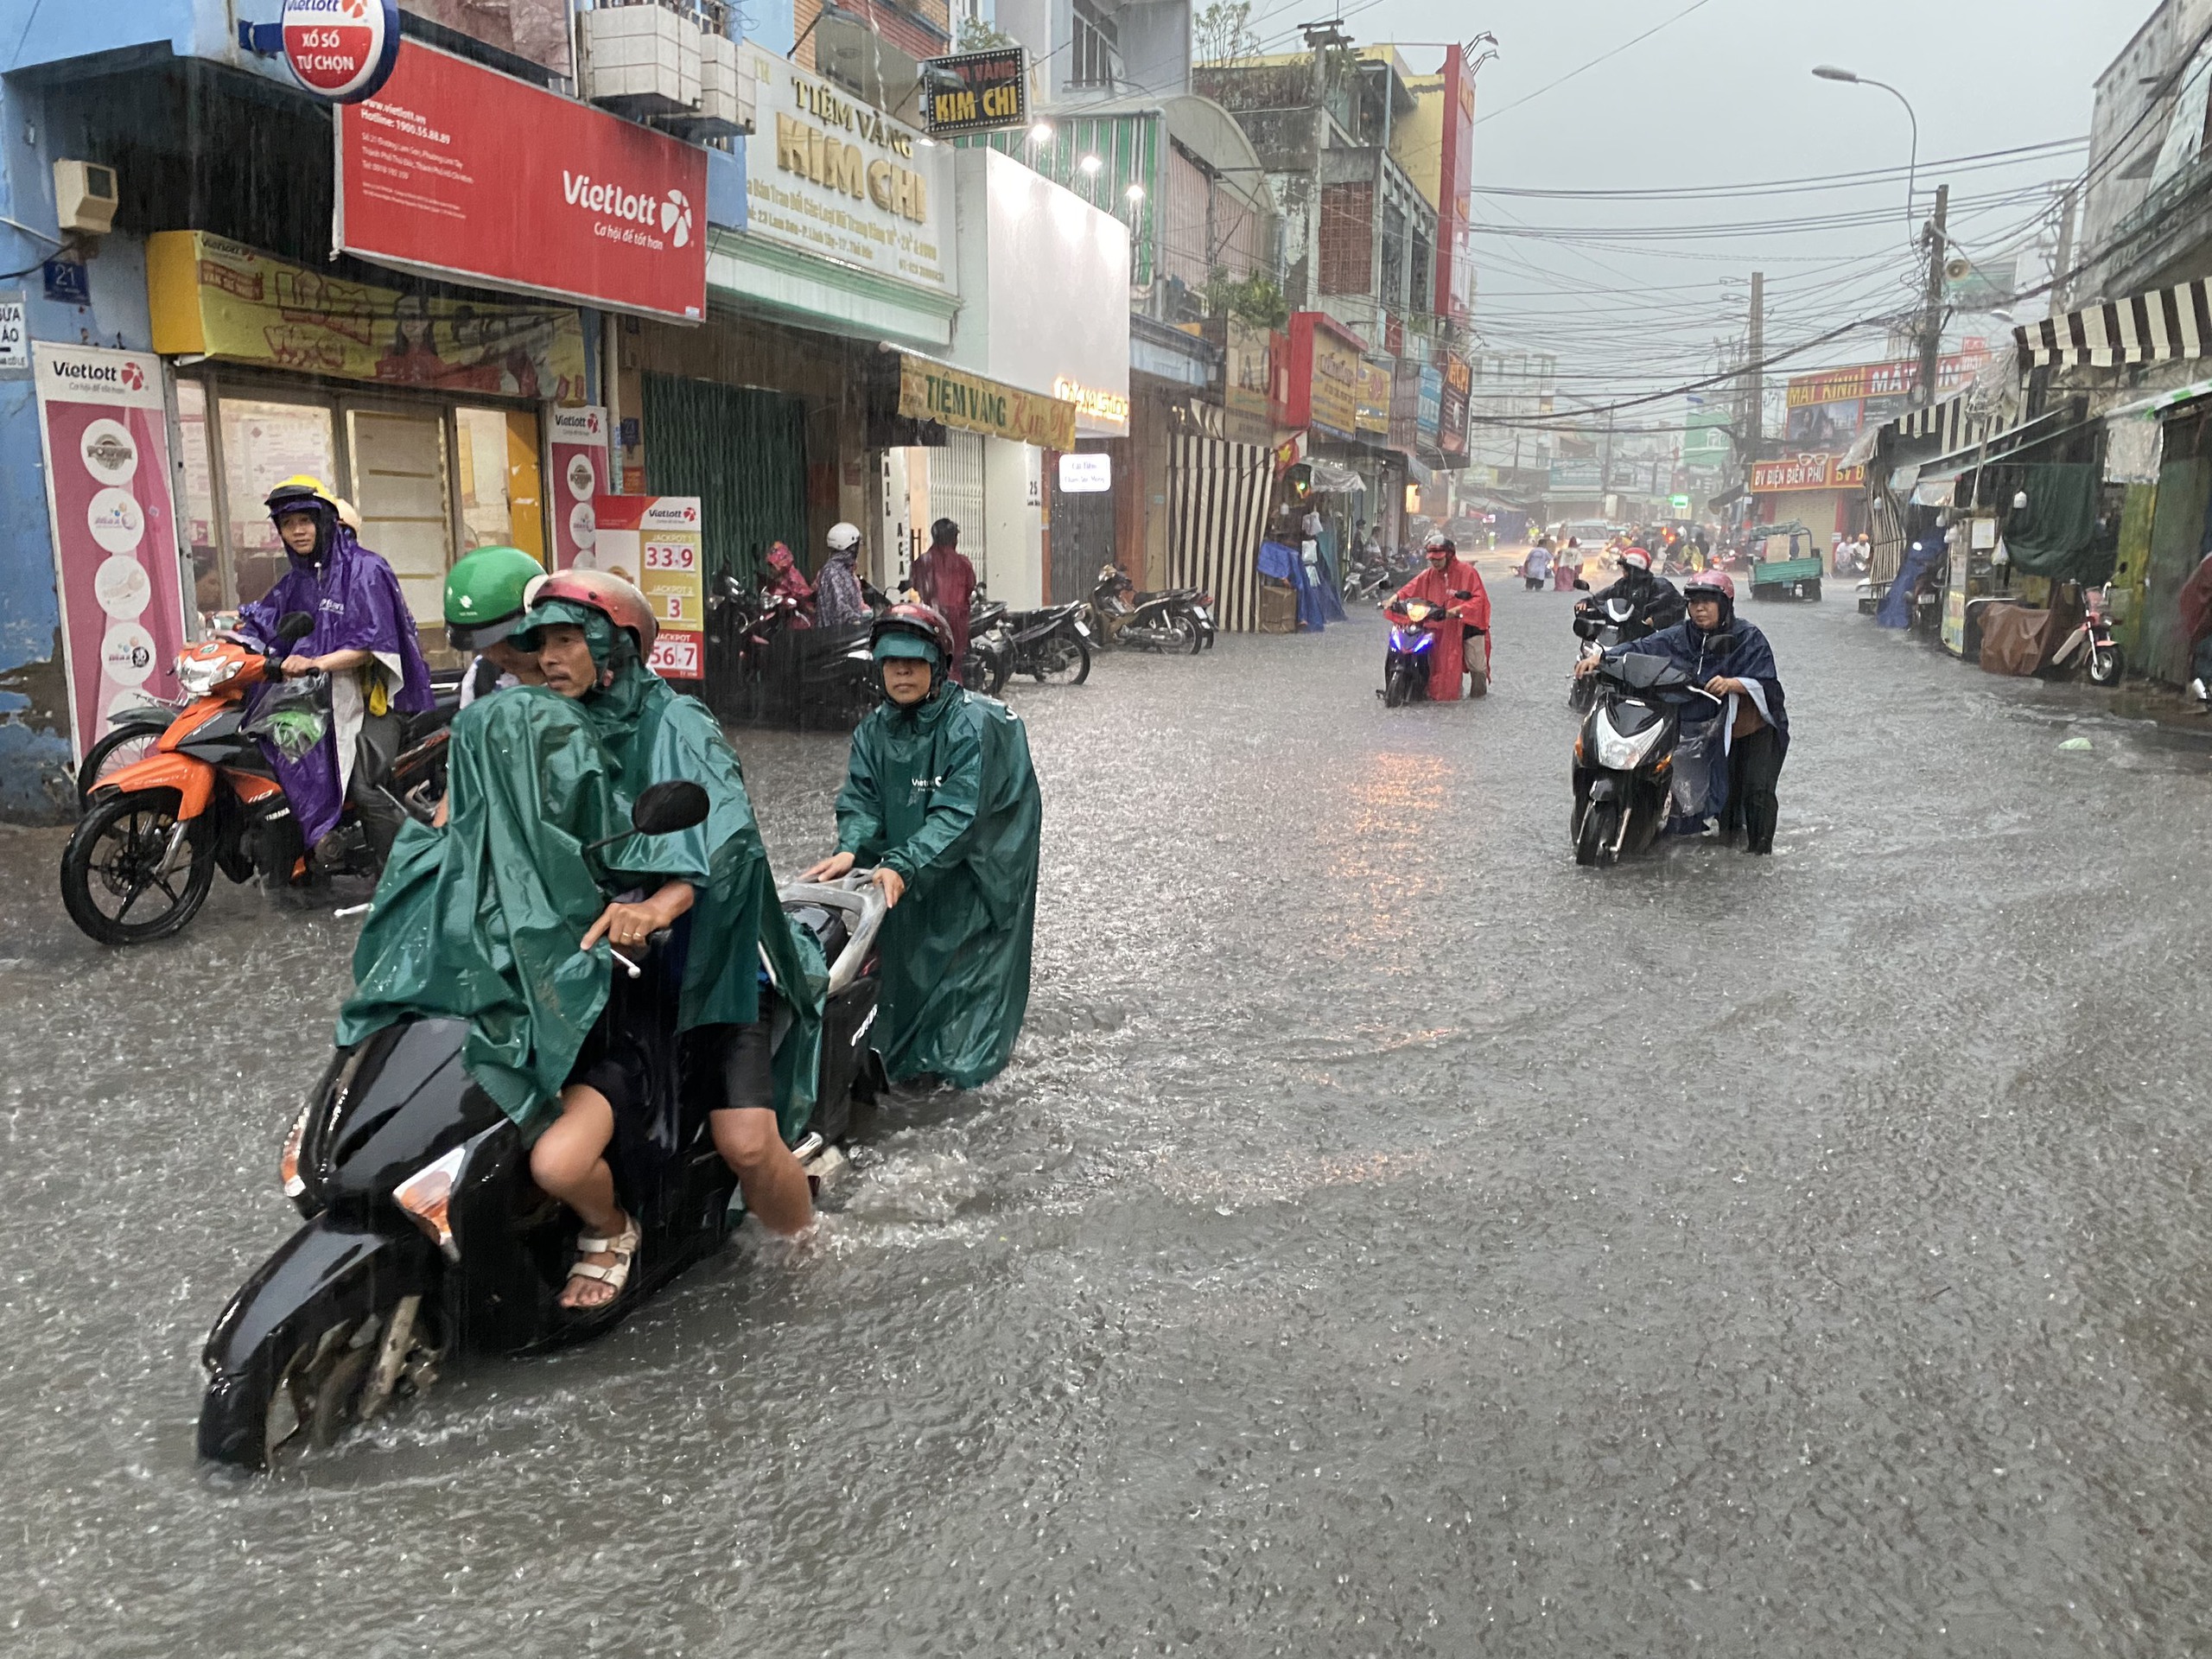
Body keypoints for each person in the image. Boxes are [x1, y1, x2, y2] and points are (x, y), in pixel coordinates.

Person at [339, 569, 828, 1310]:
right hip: (598, 961)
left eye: (569, 641)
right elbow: (477, 818)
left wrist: (661, 903)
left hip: (708, 961)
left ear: (616, 645)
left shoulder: (678, 726)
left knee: (748, 1143)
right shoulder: (540, 719)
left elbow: (722, 842)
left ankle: (808, 1247)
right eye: (539, 644)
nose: (548, 658)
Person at [799, 603, 1041, 1089]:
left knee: (966, 986)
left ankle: (958, 1074)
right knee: (908, 968)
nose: (902, 671)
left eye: (913, 661)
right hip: (910, 871)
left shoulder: (970, 725)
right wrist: (853, 846)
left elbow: (960, 813)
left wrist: (905, 862)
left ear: (937, 664)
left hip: (978, 874)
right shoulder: (873, 730)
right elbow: (863, 798)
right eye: (891, 662)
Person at [238, 476, 432, 863]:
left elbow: (370, 646)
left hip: (378, 701)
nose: (297, 531)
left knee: (366, 786)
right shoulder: (300, 579)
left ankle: (398, 879)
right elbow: (268, 622)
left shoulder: (367, 570)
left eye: (305, 521)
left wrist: (316, 663)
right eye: (288, 524)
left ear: (326, 522)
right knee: (276, 746)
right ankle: (310, 851)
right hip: (324, 697)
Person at [1575, 569, 1789, 853]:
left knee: (1754, 792)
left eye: (1708, 602)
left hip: (1746, 729)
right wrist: (1601, 657)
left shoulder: (1748, 637)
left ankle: (1758, 859)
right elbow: (1642, 647)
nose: (1699, 609)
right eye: (1694, 603)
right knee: (1710, 796)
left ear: (1725, 605)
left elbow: (1768, 684)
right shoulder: (1680, 635)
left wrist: (1735, 684)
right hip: (1697, 722)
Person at [1389, 531, 1491, 697]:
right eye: (1432, 559)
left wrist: (1458, 610)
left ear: (1449, 556)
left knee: (1477, 667)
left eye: (1438, 559)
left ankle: (1477, 697)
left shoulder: (1467, 572)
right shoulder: (1429, 575)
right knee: (1439, 662)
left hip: (1468, 625)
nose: (1435, 563)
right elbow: (1410, 587)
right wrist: (1393, 599)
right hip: (1441, 624)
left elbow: (1479, 599)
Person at [443, 544, 547, 709]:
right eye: (482, 645)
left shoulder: (578, 679)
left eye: (506, 639)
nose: (497, 654)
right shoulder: (480, 676)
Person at [910, 518, 977, 683]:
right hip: (957, 620)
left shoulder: (923, 561)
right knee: (953, 663)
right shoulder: (963, 563)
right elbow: (970, 586)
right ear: (954, 538)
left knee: (933, 659)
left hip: (932, 618)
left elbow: (917, 585)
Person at [1603, 547, 1687, 636]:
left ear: (1633, 568)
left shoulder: (1660, 586)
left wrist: (1654, 620)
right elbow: (1600, 599)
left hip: (1652, 638)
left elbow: (1678, 609)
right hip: (1620, 636)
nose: (1623, 571)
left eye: (1625, 568)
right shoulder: (1621, 585)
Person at [815, 521, 871, 633]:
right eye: (855, 546)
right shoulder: (832, 572)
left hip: (849, 633)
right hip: (837, 637)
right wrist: (856, 620)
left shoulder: (845, 570)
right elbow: (839, 607)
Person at [762, 541, 815, 624]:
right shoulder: (778, 580)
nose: (771, 570)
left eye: (773, 566)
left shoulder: (794, 580)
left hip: (798, 621)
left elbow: (808, 604)